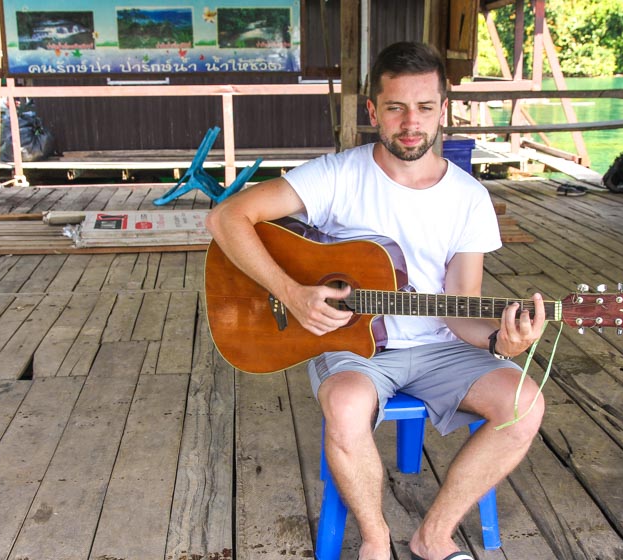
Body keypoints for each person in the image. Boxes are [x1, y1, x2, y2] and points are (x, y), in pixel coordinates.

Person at [205, 41, 547, 560]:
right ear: (373, 111)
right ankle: (375, 539)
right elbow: (225, 218)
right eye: (396, 107)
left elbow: (464, 309)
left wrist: (504, 340)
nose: (411, 122)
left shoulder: (469, 198)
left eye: (425, 108)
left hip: (439, 347)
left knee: (525, 404)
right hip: (351, 347)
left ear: (443, 110)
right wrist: (292, 293)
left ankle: (433, 536)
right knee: (345, 406)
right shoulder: (338, 174)